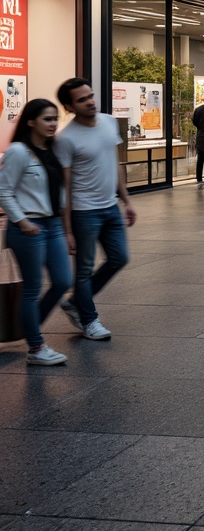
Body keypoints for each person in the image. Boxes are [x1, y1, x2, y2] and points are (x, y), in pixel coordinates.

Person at [54, 77, 136, 341]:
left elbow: (114, 164)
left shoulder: (109, 122)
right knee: (84, 269)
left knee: (119, 258)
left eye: (90, 96)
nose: (90, 102)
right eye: (82, 99)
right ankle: (89, 320)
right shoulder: (65, 139)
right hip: (83, 212)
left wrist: (126, 200)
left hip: (110, 206)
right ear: (69, 107)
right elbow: (64, 187)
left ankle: (76, 300)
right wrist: (67, 230)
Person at [0, 99, 74, 365]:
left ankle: (28, 327)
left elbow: (61, 193)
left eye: (55, 118)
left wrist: (66, 230)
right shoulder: (19, 151)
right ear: (31, 121)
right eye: (47, 118)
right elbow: (3, 190)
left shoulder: (54, 150)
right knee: (32, 289)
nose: (53, 123)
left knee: (63, 281)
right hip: (29, 227)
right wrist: (21, 222)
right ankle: (35, 347)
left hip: (53, 225)